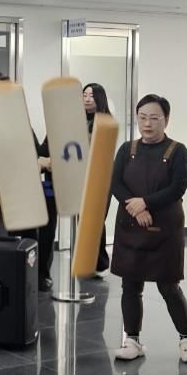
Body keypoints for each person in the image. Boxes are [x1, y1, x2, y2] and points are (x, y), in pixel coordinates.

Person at [111, 94, 187, 363]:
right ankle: (132, 340)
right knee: (130, 285)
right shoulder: (127, 149)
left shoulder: (177, 150)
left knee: (169, 285)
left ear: (166, 120)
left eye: (154, 118)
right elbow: (115, 183)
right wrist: (136, 208)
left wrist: (146, 203)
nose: (147, 124)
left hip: (165, 228)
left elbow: (178, 187)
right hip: (131, 225)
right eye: (142, 118)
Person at [0, 73, 56, 292]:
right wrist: (36, 163)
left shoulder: (21, 121)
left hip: (26, 192)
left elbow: (35, 152)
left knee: (29, 241)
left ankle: (34, 278)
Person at [83, 82, 113, 278]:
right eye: (84, 95)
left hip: (100, 177)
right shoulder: (77, 119)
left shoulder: (105, 121)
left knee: (95, 220)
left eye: (91, 96)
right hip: (81, 177)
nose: (87, 99)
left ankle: (99, 263)